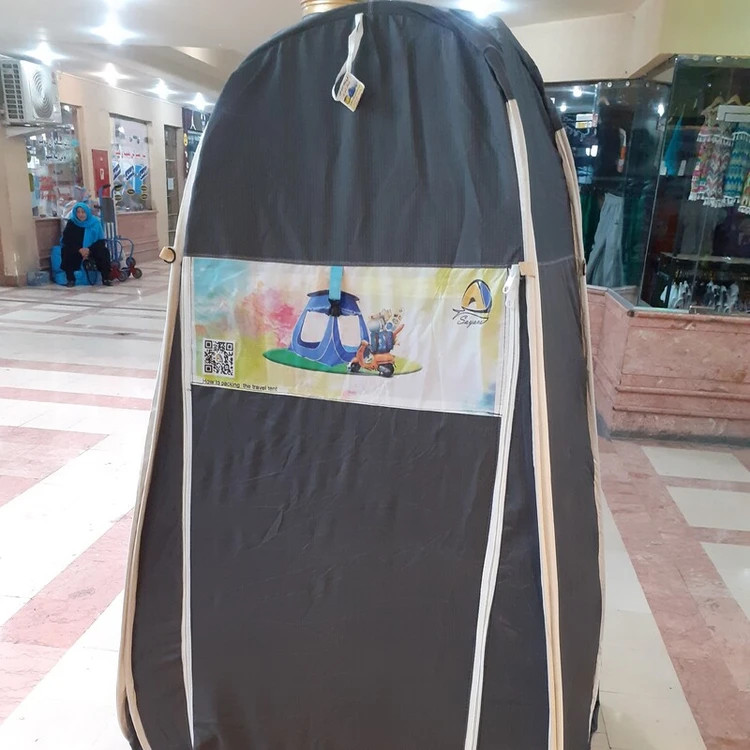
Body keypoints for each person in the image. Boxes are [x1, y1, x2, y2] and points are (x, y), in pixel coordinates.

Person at [60, 202, 112, 287]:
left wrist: (89, 250)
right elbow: (67, 240)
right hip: (77, 250)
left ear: (87, 212)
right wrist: (79, 249)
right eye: (78, 212)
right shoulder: (72, 223)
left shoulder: (95, 223)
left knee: (104, 251)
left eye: (83, 212)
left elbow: (101, 241)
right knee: (66, 251)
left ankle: (106, 278)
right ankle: (71, 279)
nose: (80, 214)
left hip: (92, 250)